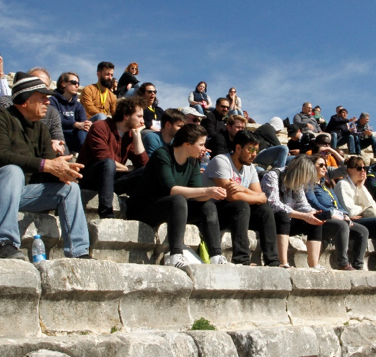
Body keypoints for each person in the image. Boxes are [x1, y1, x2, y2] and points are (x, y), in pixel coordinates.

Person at [0, 74, 91, 260]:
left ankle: (79, 252)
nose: (48, 101)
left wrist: (63, 171)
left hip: (15, 193)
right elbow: (0, 156)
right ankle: (4, 244)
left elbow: (49, 166)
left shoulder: (41, 128)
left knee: (70, 188)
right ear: (25, 100)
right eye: (42, 97)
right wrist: (47, 164)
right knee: (12, 170)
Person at [126, 124, 229, 268]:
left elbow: (197, 193)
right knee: (179, 200)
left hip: (172, 207)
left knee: (208, 206)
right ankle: (175, 255)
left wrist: (212, 193)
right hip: (143, 208)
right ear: (187, 144)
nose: (204, 148)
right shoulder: (162, 154)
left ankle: (216, 256)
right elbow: (171, 190)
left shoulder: (192, 161)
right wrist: (207, 191)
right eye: (201, 144)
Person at [202, 130, 280, 266]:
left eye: (256, 150)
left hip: (240, 213)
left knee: (265, 211)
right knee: (241, 205)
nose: (254, 154)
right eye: (250, 149)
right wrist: (255, 196)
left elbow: (262, 197)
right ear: (238, 148)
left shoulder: (250, 168)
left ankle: (272, 261)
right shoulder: (221, 161)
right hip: (213, 212)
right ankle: (242, 259)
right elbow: (231, 196)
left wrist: (243, 189)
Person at [77, 97, 149, 219]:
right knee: (108, 164)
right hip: (90, 178)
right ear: (126, 115)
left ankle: (137, 213)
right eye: (139, 116)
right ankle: (106, 214)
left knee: (147, 171)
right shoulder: (100, 126)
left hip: (112, 180)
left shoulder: (130, 135)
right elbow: (103, 159)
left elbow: (144, 164)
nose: (143, 121)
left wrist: (137, 137)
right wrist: (127, 169)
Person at [304, 156, 370, 271]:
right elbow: (314, 203)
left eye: (325, 165)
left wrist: (344, 215)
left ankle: (358, 264)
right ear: (311, 167)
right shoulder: (308, 185)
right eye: (321, 165)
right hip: (322, 219)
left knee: (362, 230)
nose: (325, 168)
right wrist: (333, 214)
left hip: (336, 217)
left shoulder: (326, 186)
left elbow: (338, 204)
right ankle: (343, 263)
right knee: (342, 225)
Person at [260, 155, 326, 270]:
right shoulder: (273, 176)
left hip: (290, 219)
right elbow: (273, 204)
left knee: (316, 219)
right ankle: (283, 262)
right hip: (272, 220)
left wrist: (311, 213)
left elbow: (302, 204)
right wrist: (302, 215)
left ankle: (314, 264)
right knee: (282, 215)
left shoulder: (298, 182)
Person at [50, 72, 91, 153]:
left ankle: (86, 152)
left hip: (74, 137)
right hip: (59, 135)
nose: (77, 85)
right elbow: (55, 121)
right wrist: (75, 124)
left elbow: (83, 121)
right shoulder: (52, 101)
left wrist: (86, 124)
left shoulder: (78, 105)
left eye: (78, 83)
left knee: (84, 127)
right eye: (73, 82)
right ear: (63, 83)